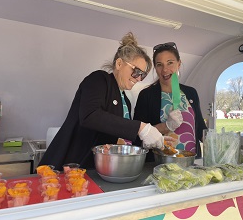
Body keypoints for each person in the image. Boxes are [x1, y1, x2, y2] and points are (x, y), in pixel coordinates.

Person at [38, 32, 169, 171]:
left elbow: (121, 134)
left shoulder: (125, 100)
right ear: (119, 63)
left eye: (142, 75)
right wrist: (141, 128)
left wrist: (151, 138)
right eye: (136, 72)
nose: (138, 78)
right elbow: (90, 115)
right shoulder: (99, 80)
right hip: (71, 164)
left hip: (94, 168)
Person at [134, 42, 207, 161]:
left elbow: (200, 130)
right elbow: (138, 136)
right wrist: (166, 126)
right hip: (159, 163)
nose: (165, 70)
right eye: (159, 65)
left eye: (170, 63)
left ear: (179, 64)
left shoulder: (191, 93)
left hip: (191, 163)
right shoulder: (147, 95)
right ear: (155, 68)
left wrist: (219, 145)